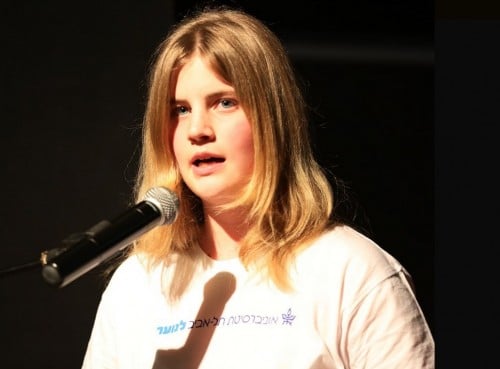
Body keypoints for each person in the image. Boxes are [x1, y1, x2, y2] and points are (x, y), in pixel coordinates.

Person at [81, 5, 434, 369]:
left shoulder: (351, 271)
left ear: (272, 119)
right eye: (180, 109)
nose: (197, 130)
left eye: (224, 102)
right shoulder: (136, 285)